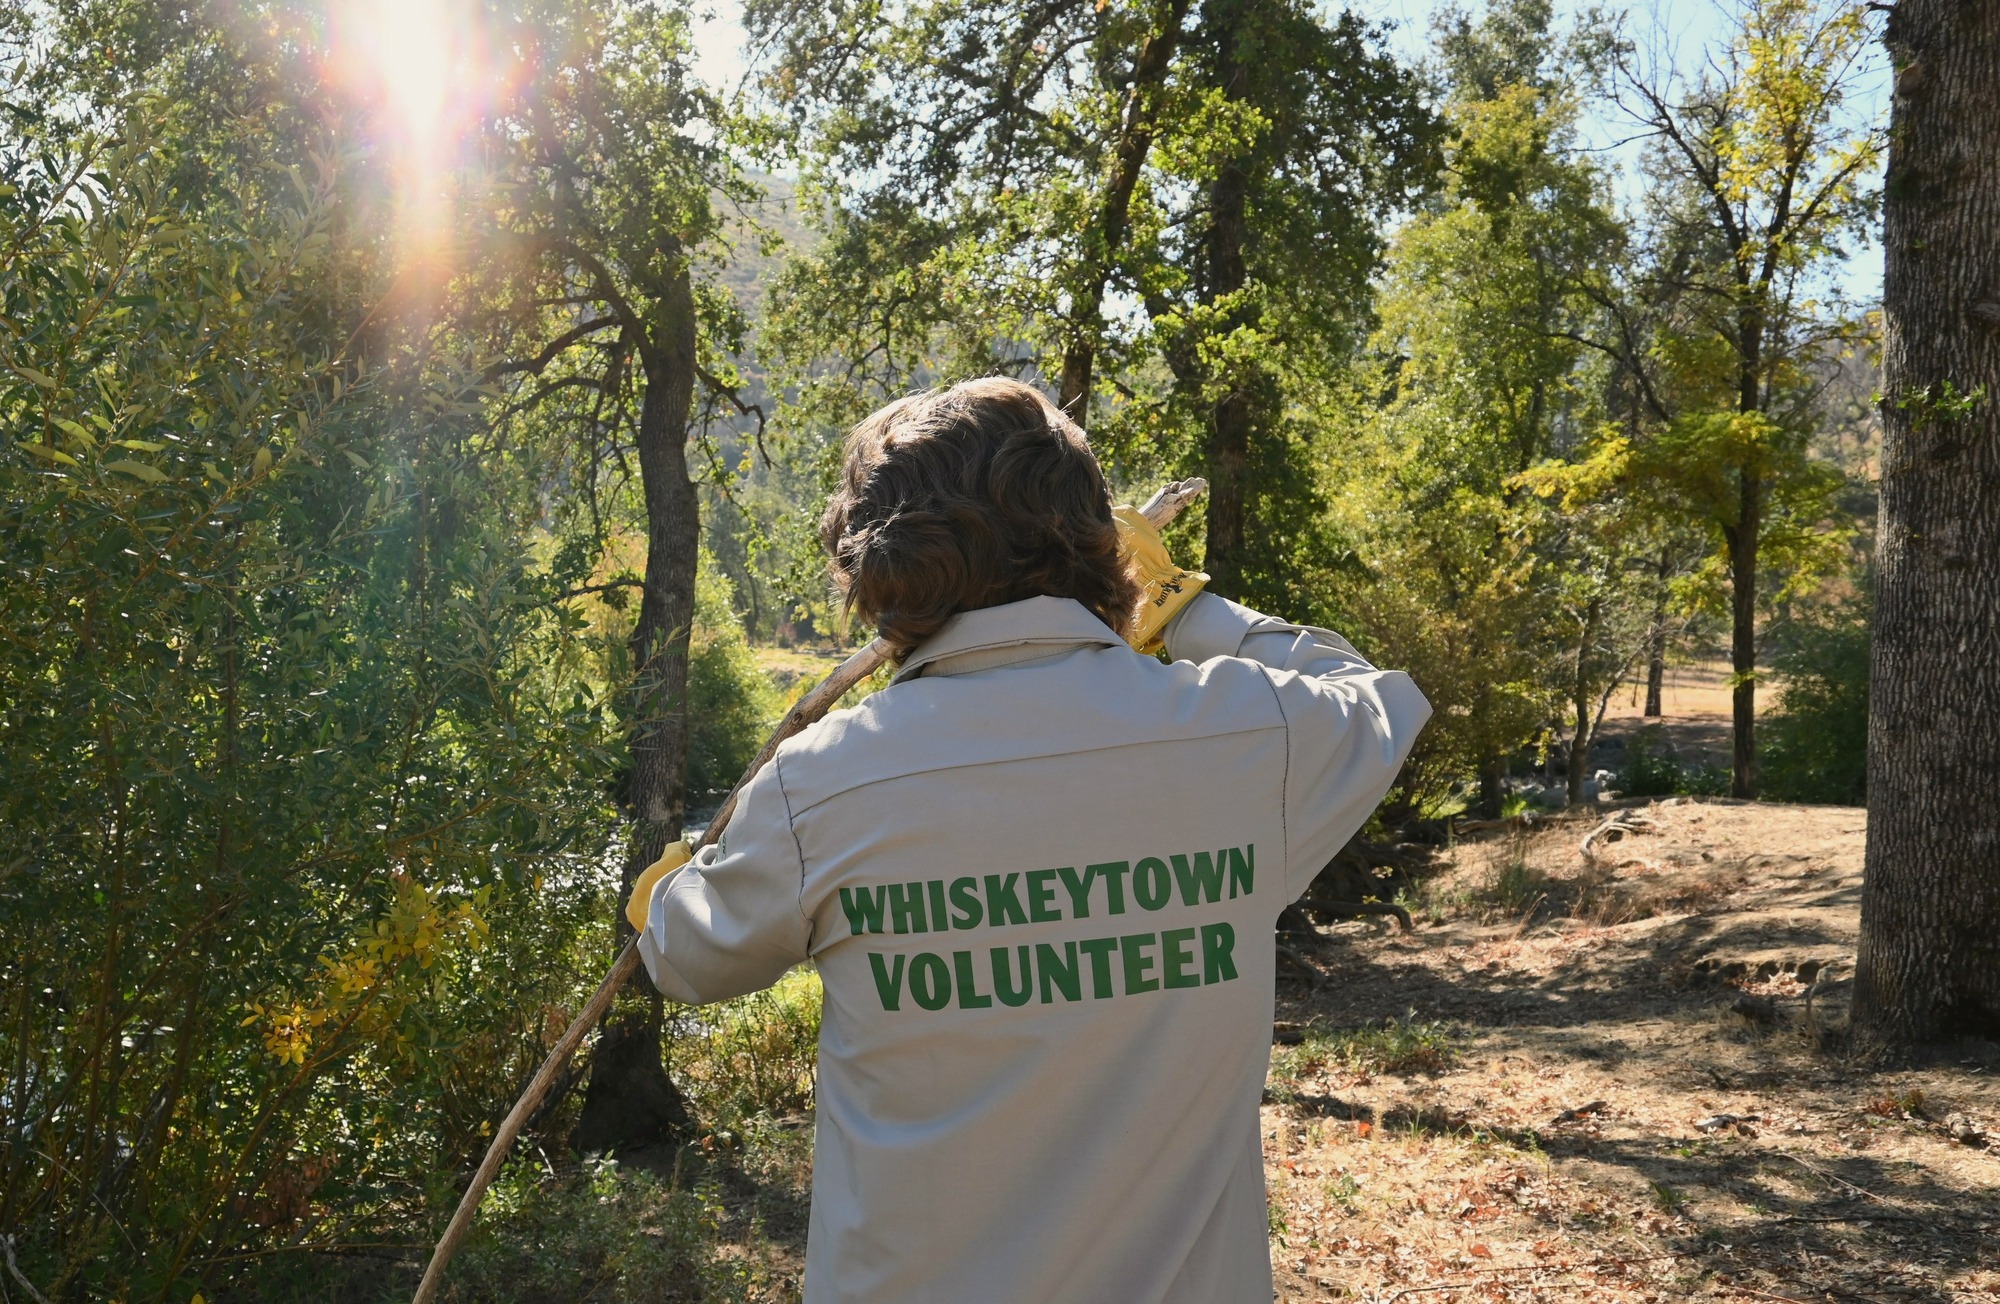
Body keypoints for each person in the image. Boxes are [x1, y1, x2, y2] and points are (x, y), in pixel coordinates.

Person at [625, 377, 1430, 1303]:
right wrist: (1174, 601)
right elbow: (1375, 698)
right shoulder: (1246, 740)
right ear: (1098, 543)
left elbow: (684, 961)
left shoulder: (823, 782)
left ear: (875, 567)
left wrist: (677, 880)